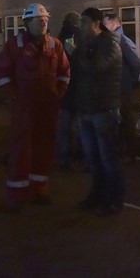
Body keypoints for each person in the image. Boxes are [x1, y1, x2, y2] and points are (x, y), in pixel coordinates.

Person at [0, 3, 70, 211]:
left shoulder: (55, 45)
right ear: (27, 23)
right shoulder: (15, 45)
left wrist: (58, 93)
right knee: (22, 148)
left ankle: (40, 189)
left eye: (45, 20)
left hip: (48, 106)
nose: (44, 24)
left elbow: (64, 71)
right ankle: (18, 193)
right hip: (25, 106)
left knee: (45, 146)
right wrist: (14, 96)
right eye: (39, 21)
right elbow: (2, 74)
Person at [72, 8, 124, 216]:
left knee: (108, 157)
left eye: (84, 23)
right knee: (92, 157)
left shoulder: (110, 44)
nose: (81, 27)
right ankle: (97, 193)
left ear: (95, 24)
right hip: (86, 107)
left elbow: (96, 69)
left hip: (103, 108)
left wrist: (80, 52)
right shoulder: (88, 44)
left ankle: (114, 198)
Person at [104, 13, 140, 162]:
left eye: (105, 23)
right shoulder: (114, 40)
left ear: (114, 24)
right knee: (118, 119)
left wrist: (130, 82)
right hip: (117, 87)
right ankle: (121, 150)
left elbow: (135, 63)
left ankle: (130, 152)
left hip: (122, 88)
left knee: (126, 118)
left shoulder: (122, 41)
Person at [56, 12, 84, 171]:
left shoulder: (59, 38)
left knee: (64, 126)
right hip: (78, 86)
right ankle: (80, 152)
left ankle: (63, 157)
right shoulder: (80, 36)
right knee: (81, 124)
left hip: (64, 86)